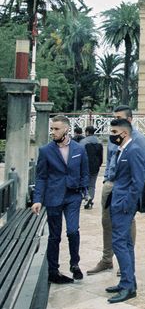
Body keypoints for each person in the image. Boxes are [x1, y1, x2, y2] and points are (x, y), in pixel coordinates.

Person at [88, 105, 145, 275]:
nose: (115, 120)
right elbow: (110, 160)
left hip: (126, 188)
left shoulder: (139, 140)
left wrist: (133, 193)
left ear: (129, 120)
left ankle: (126, 263)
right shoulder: (114, 136)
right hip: (111, 184)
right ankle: (107, 259)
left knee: (126, 224)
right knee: (106, 222)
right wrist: (108, 179)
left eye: (119, 117)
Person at [32, 114, 89, 284]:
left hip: (73, 196)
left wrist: (85, 192)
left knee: (73, 230)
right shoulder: (45, 151)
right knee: (54, 236)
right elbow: (41, 177)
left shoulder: (79, 149)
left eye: (56, 129)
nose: (53, 132)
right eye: (52, 129)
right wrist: (37, 199)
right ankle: (53, 271)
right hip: (53, 197)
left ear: (66, 129)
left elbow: (85, 172)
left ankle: (75, 264)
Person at [104, 118, 145, 303]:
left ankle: (128, 286)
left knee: (119, 243)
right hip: (118, 201)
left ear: (124, 133)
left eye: (114, 133)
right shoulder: (123, 150)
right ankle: (127, 282)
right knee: (125, 243)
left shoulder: (134, 150)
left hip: (123, 205)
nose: (111, 136)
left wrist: (127, 204)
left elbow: (138, 181)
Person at [80, 125, 103, 210]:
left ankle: (87, 197)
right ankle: (90, 198)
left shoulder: (83, 142)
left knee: (84, 183)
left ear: (87, 132)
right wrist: (99, 164)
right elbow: (101, 156)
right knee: (92, 184)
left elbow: (80, 154)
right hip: (95, 166)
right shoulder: (99, 141)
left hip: (85, 166)